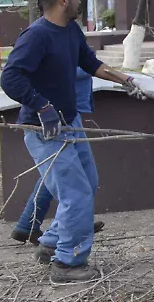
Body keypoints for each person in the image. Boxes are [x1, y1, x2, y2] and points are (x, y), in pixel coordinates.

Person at [0, 0, 144, 284]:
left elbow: (90, 63)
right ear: (64, 0)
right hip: (44, 129)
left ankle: (51, 242)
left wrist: (125, 80)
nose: (80, 0)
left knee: (87, 184)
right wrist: (42, 106)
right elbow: (10, 78)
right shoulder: (37, 36)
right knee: (75, 193)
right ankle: (68, 263)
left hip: (70, 122)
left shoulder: (71, 31)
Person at [10, 68, 105, 244]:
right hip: (57, 116)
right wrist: (95, 67)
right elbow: (66, 68)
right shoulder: (47, 42)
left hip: (66, 112)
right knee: (70, 177)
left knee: (58, 173)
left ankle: (27, 225)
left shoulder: (67, 41)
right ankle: (66, 230)